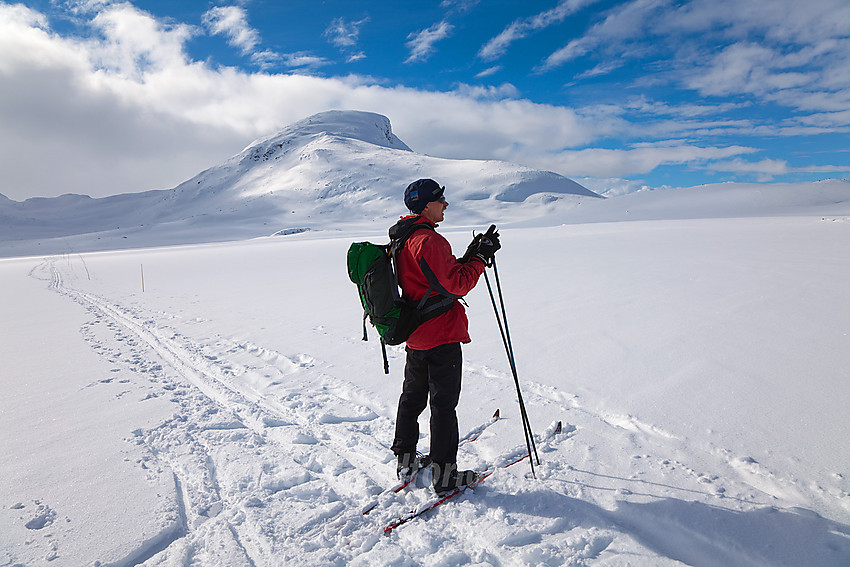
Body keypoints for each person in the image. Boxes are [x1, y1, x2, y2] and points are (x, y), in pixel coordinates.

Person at [388, 178, 500, 494]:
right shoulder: (428, 241)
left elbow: (436, 278)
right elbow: (456, 285)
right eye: (440, 200)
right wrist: (480, 259)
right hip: (441, 335)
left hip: (416, 334)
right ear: (426, 205)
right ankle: (445, 475)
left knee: (412, 396)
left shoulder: (402, 237)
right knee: (443, 405)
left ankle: (405, 457)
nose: (445, 205)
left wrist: (470, 254)